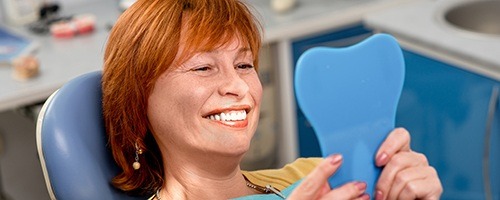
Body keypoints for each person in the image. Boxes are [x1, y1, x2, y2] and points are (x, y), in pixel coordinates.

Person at [101, 0, 443, 199]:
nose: (238, 86)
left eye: (244, 64)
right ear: (138, 106)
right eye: (203, 67)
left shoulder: (322, 176)